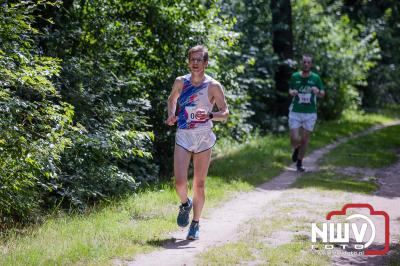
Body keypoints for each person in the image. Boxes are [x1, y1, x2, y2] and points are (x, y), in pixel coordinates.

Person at [166, 45, 229, 240]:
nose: (195, 63)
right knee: (179, 183)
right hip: (184, 135)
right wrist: (171, 115)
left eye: (199, 60)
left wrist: (210, 114)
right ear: (188, 61)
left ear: (205, 63)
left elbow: (225, 113)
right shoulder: (180, 82)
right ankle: (185, 204)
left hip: (203, 137)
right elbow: (171, 100)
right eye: (192, 59)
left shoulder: (213, 86)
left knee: (199, 184)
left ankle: (195, 224)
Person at [288, 54, 325, 172]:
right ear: (301, 63)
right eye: (304, 62)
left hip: (310, 113)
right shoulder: (294, 76)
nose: (306, 64)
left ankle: (299, 163)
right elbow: (290, 89)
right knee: (294, 138)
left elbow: (322, 94)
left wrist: (318, 91)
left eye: (308, 62)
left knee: (304, 139)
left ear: (311, 64)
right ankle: (297, 148)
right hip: (295, 111)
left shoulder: (316, 78)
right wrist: (292, 92)